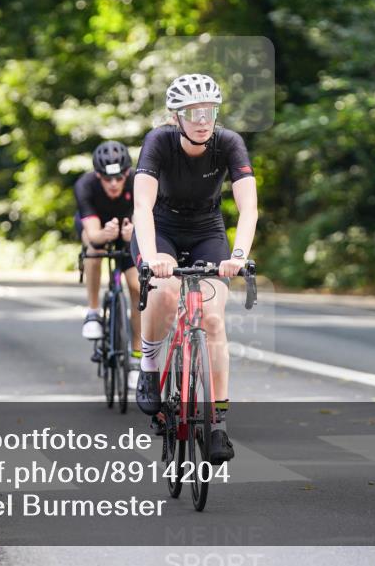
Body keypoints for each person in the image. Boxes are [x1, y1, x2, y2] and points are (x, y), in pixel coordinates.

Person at [131, 73, 258, 465]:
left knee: (214, 321)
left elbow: (248, 208)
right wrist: (153, 258)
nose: (202, 119)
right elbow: (141, 208)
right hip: (162, 230)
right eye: (193, 112)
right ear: (176, 117)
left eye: (209, 111)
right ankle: (150, 364)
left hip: (207, 231)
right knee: (166, 293)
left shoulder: (229, 143)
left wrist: (237, 255)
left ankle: (217, 424)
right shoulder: (159, 142)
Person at [75, 141, 142, 388]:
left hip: (128, 229)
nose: (113, 184)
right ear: (97, 175)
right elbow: (92, 234)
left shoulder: (138, 181)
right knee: (93, 249)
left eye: (119, 178)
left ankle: (137, 358)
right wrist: (104, 234)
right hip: (96, 227)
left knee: (137, 287)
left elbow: (143, 222)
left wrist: (132, 235)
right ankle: (93, 312)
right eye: (107, 178)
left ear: (126, 173)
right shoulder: (85, 185)